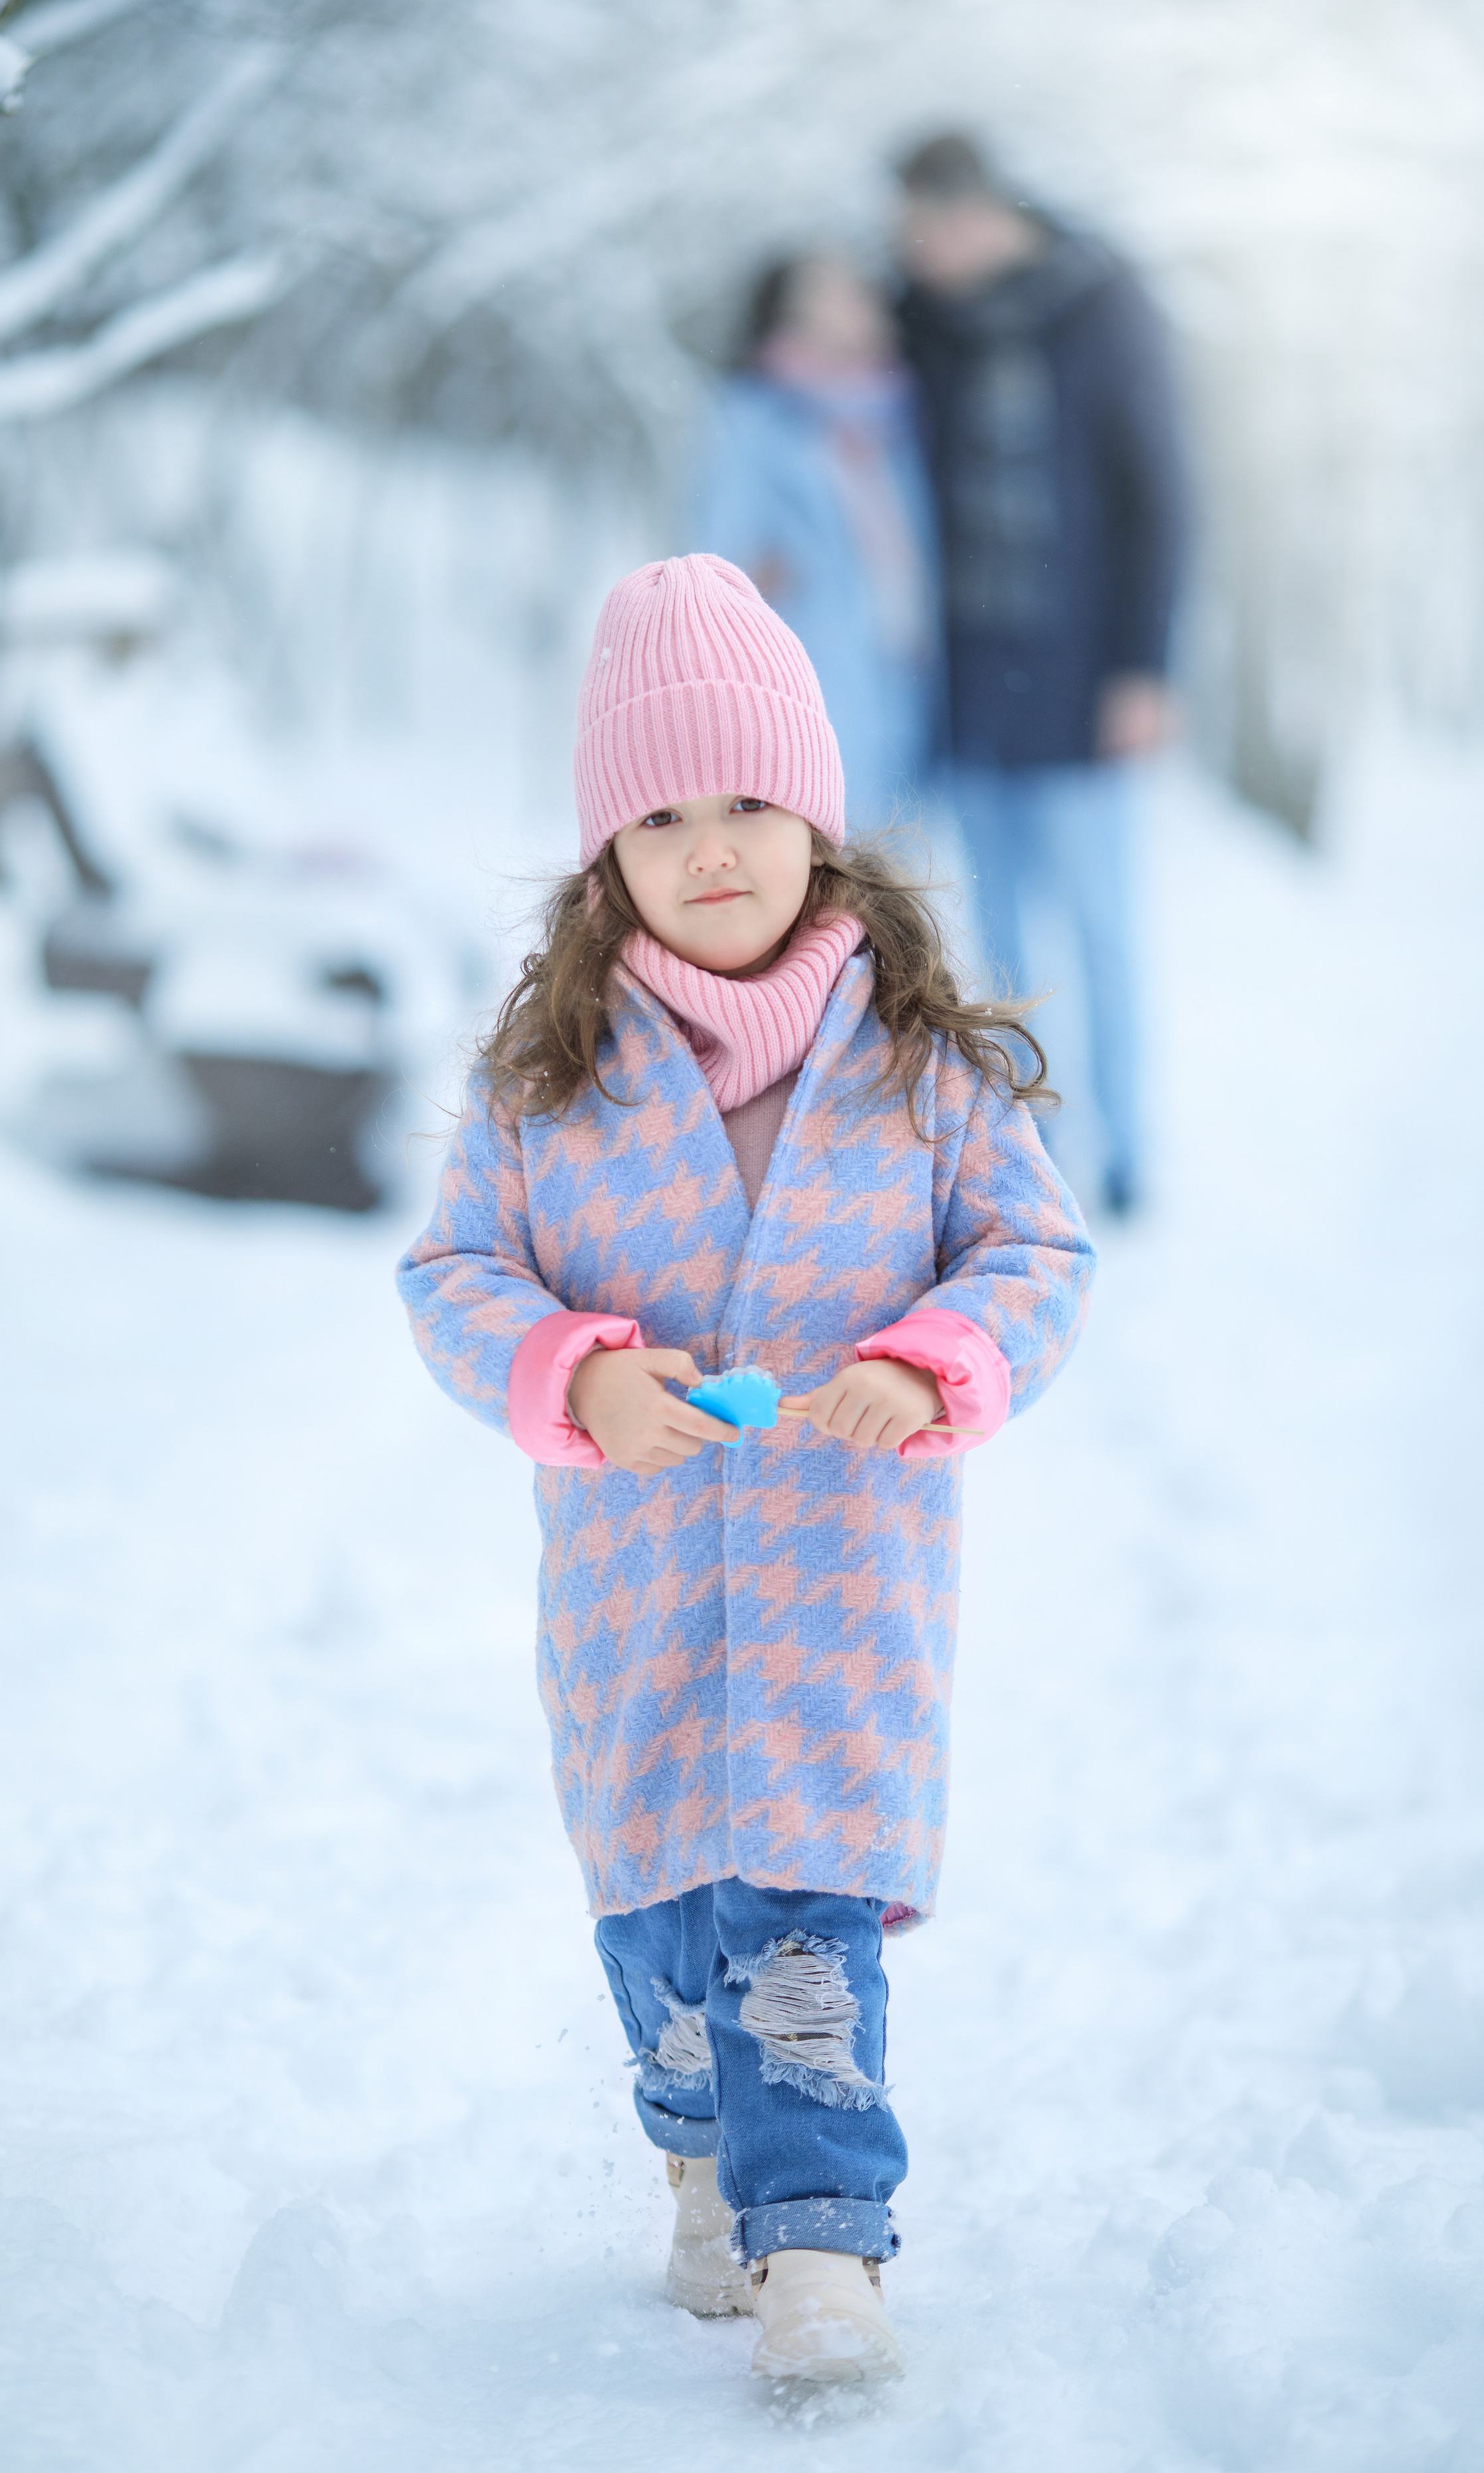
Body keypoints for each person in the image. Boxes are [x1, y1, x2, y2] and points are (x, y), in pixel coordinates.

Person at [397, 554, 1094, 2384]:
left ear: (824, 825)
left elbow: (1035, 1262)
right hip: (631, 1606)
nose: (716, 847)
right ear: (607, 854)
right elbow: (454, 1278)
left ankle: (824, 2251)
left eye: (756, 804)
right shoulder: (548, 1085)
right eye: (664, 813)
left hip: (837, 1601)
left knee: (799, 1947)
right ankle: (700, 2156)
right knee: (663, 1945)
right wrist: (574, 1375)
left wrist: (931, 1361)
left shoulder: (922, 1072)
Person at [895, 132, 1189, 1216]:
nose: (914, 254)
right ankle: (1033, 1153)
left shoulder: (1101, 304)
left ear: (978, 215)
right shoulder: (920, 320)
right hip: (971, 686)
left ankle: (1130, 1149)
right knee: (1001, 945)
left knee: (1104, 926)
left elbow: (1159, 490)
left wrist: (1144, 667)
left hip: (1082, 686)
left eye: (926, 232)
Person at [691, 253, 940, 831]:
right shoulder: (752, 418)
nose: (865, 294)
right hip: (805, 690)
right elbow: (719, 564)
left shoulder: (895, 416)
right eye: (838, 287)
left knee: (892, 879)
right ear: (792, 315)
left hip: (900, 682)